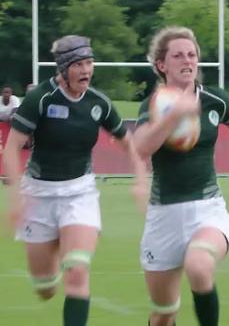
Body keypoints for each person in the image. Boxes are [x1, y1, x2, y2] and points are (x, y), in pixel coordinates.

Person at [134, 26, 229, 326]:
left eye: (192, 55)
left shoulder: (215, 100)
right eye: (178, 55)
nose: (187, 61)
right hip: (163, 216)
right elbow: (141, 148)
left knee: (199, 265)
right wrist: (175, 116)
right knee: (163, 315)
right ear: (161, 65)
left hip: (207, 210)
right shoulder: (152, 106)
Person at [2, 35, 147, 326]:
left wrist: (141, 178)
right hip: (39, 194)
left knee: (78, 272)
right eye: (79, 64)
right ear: (64, 69)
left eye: (89, 63)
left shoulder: (99, 103)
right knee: (45, 289)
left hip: (79, 193)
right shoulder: (39, 99)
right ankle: (52, 255)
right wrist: (17, 196)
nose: (86, 70)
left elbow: (126, 141)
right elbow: (12, 148)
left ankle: (68, 252)